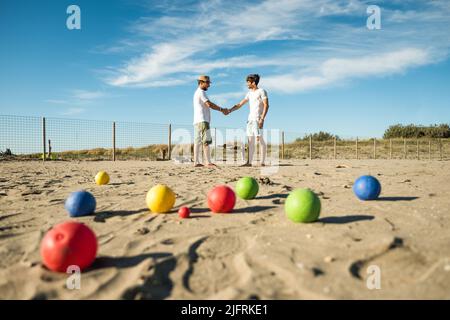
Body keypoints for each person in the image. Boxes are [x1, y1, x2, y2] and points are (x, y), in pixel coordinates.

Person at [226, 74, 269, 166]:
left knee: (260, 139)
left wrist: (262, 118)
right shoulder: (249, 93)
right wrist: (230, 110)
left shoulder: (262, 91)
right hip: (249, 120)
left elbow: (266, 105)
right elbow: (240, 104)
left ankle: (262, 162)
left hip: (257, 118)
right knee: (250, 141)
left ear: (253, 82)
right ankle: (249, 162)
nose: (247, 84)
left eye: (248, 82)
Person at [193, 75, 228, 167]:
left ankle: (196, 162)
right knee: (206, 141)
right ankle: (208, 162)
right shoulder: (201, 92)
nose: (209, 85)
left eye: (209, 83)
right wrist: (221, 109)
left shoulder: (197, 92)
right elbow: (209, 104)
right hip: (203, 121)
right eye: (207, 83)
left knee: (198, 141)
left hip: (197, 121)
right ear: (201, 83)